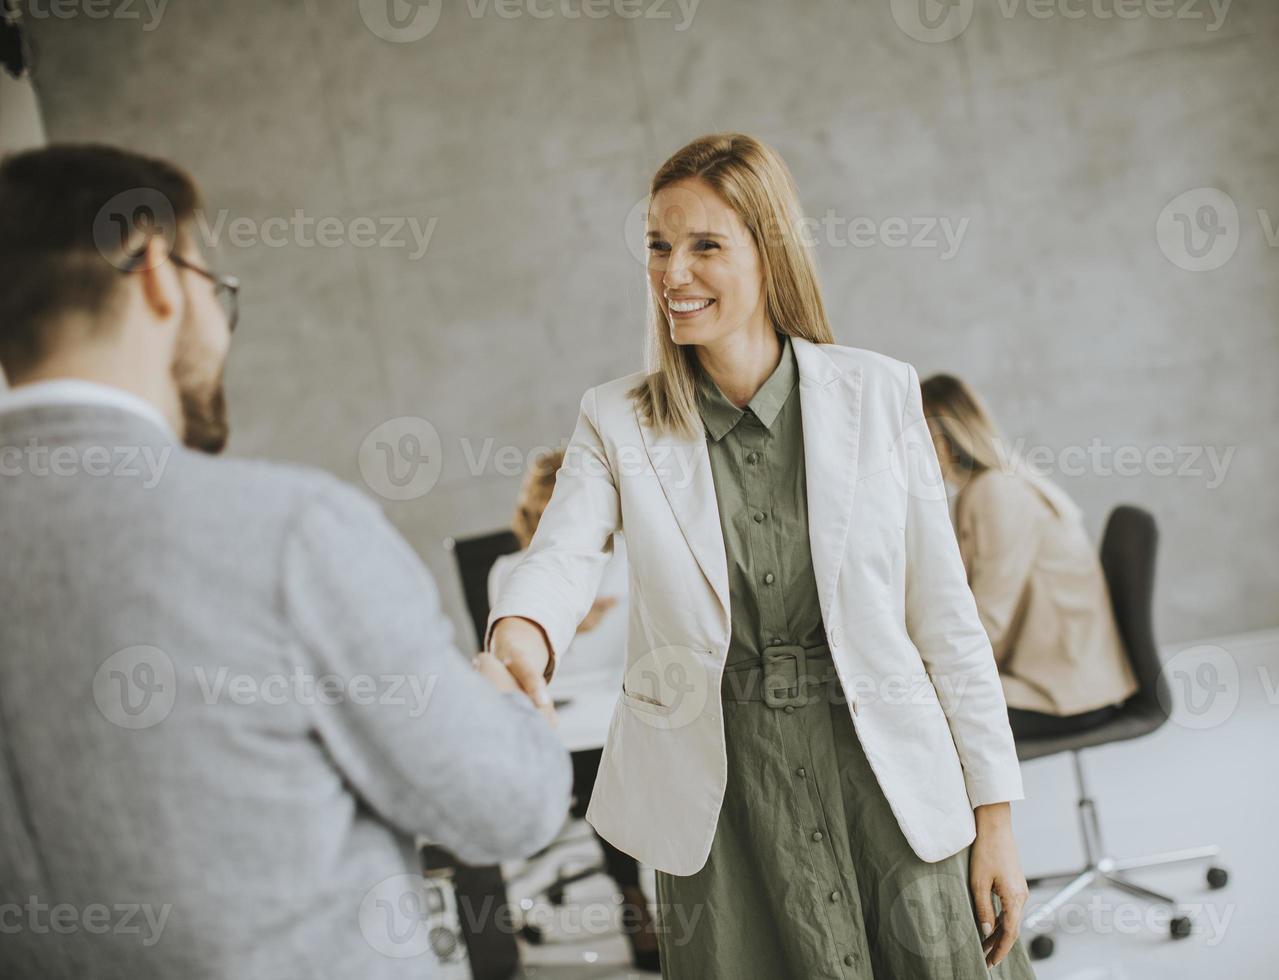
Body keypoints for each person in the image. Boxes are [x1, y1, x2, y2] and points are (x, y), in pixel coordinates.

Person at [0, 144, 571, 980]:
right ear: (157, 269)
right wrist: (503, 709)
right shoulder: (287, 533)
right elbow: (504, 807)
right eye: (213, 287)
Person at [484, 133, 1037, 977]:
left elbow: (944, 616)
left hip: (883, 773)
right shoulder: (616, 418)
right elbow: (560, 553)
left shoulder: (879, 392)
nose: (673, 274)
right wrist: (518, 634)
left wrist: (993, 815)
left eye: (705, 245)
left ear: (769, 251)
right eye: (658, 247)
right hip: (724, 803)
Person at [488, 448, 659, 971]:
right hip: (560, 713)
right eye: (537, 515)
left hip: (621, 698)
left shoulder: (627, 557)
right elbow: (508, 660)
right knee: (588, 761)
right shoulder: (511, 571)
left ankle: (647, 895)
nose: (547, 526)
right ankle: (635, 902)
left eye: (555, 512)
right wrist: (561, 623)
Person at [920, 373, 1140, 739]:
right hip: (1057, 682)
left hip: (1065, 696)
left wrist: (919, 671)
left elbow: (988, 621)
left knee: (910, 716)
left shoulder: (996, 493)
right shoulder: (992, 486)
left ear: (942, 437)